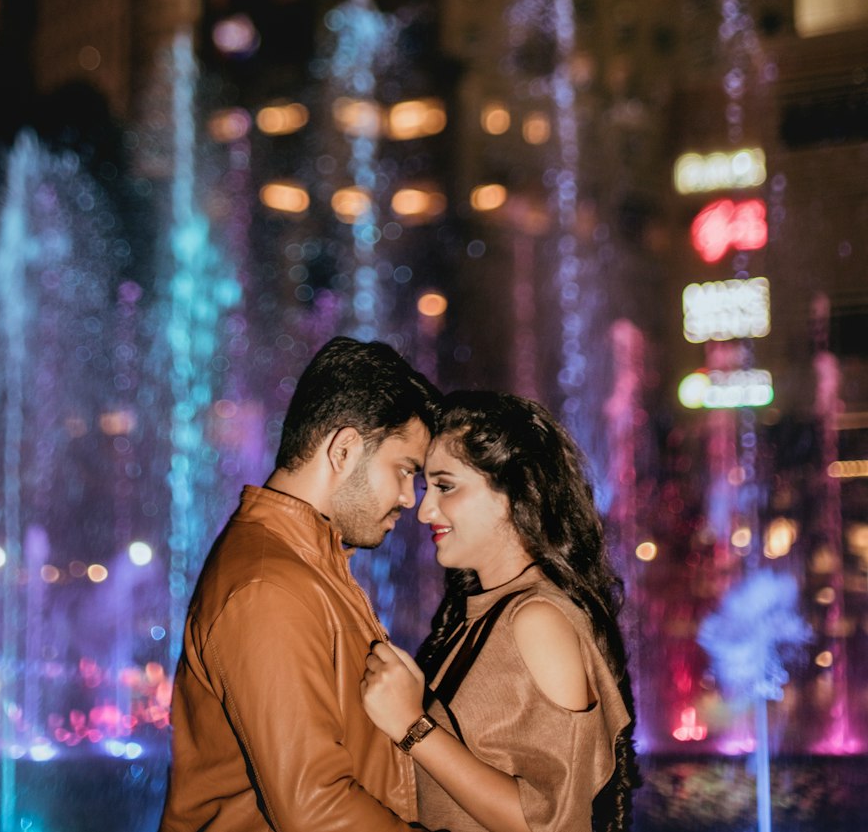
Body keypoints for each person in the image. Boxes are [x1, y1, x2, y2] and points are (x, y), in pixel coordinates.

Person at [158, 334, 444, 832]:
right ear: (345, 449)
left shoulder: (308, 565)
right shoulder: (270, 586)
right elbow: (316, 812)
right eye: (404, 471)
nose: (408, 499)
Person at [360, 390, 639, 832]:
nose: (425, 509)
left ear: (514, 493)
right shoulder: (483, 611)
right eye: (425, 487)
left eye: (446, 486)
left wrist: (412, 727)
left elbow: (553, 821)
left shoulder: (537, 619)